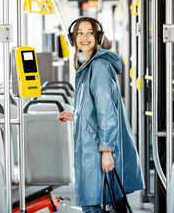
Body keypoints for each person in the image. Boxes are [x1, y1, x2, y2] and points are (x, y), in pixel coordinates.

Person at [58, 17, 144, 213]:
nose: (85, 37)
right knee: (96, 203)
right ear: (73, 38)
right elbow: (96, 107)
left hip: (96, 149)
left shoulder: (98, 67)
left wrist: (106, 151)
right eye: (80, 32)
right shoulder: (92, 64)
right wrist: (76, 114)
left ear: (98, 37)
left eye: (90, 32)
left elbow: (107, 112)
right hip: (93, 145)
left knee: (92, 205)